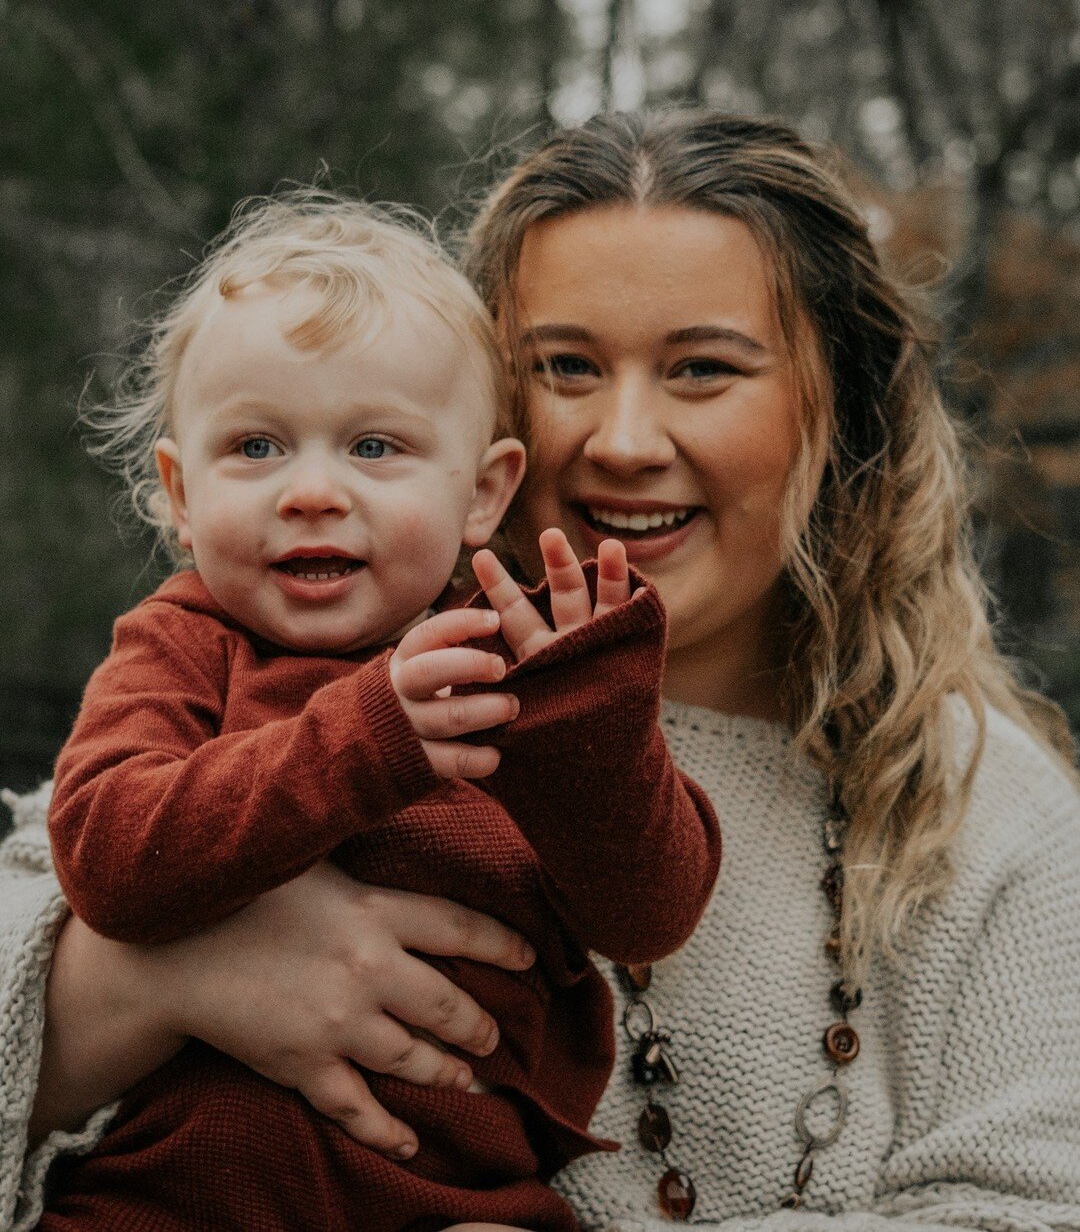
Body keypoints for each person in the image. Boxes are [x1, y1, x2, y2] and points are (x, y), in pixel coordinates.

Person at [3, 108, 1080, 1231]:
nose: (622, 439)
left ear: (838, 406)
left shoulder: (987, 813)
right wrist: (153, 982)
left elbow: (1032, 1208)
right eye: (564, 364)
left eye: (702, 368)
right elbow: (77, 870)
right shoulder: (322, 654)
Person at [23, 192, 721, 1230]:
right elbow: (106, 857)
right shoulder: (183, 642)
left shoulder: (512, 650)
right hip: (169, 1195)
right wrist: (368, 737)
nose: (311, 490)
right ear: (179, 489)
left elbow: (649, 915)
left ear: (483, 491)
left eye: (375, 447)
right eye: (256, 447)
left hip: (457, 1199)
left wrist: (600, 742)